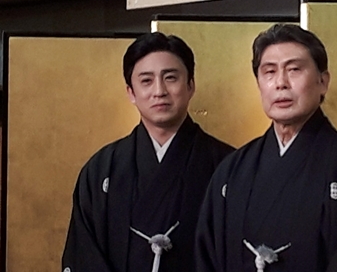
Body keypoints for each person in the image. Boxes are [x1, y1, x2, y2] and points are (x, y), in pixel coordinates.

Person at [195, 24, 337, 272]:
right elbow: (208, 257)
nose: (280, 83)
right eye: (269, 72)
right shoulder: (233, 170)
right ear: (259, 83)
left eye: (294, 70)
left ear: (323, 81)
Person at [62, 32, 234, 272]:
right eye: (146, 81)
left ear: (190, 86)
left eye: (170, 78)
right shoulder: (102, 170)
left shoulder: (228, 166)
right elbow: (83, 255)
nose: (159, 91)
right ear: (131, 92)